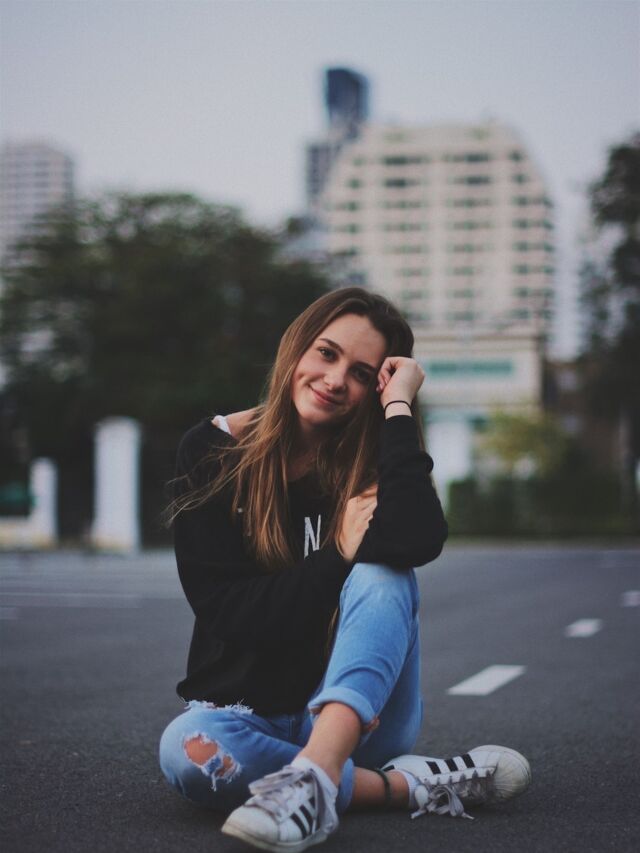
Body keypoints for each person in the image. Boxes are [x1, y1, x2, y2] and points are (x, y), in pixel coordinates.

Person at [159, 288, 531, 852]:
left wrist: (399, 407)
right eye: (326, 354)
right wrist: (336, 553)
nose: (335, 380)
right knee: (187, 750)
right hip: (245, 716)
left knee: (384, 573)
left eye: (361, 373)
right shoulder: (215, 452)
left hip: (358, 719)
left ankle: (316, 775)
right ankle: (401, 787)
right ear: (296, 349)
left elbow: (418, 541)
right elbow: (230, 614)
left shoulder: (370, 464)